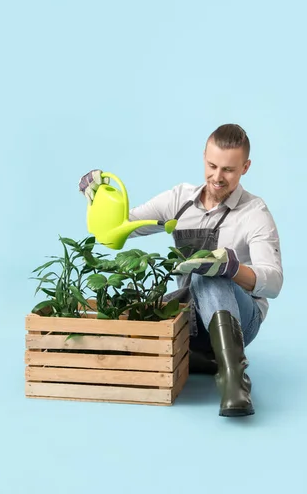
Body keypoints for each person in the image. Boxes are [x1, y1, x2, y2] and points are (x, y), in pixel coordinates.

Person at [78, 124, 283, 417]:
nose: (217, 177)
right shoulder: (179, 200)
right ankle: (199, 358)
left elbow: (274, 283)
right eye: (212, 166)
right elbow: (120, 229)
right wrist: (97, 196)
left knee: (209, 274)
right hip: (191, 318)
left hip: (240, 321)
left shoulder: (254, 212)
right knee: (137, 303)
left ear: (245, 167)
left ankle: (234, 383)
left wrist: (231, 267)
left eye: (229, 170)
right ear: (203, 157)